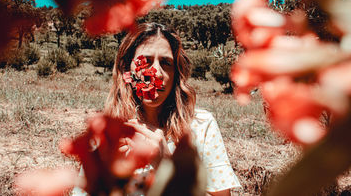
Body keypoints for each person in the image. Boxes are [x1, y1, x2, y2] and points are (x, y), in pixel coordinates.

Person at [72, 23, 240, 196]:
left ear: (176, 73)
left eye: (166, 63)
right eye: (145, 61)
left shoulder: (201, 125)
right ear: (126, 70)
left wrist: (168, 166)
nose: (156, 73)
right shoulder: (107, 132)